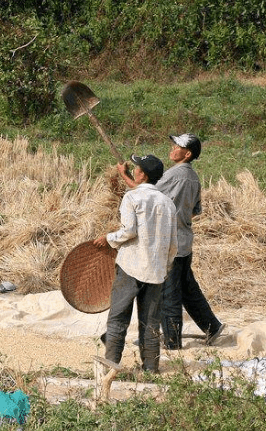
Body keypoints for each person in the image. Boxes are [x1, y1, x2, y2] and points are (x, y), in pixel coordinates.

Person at [94, 154, 177, 373]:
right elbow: (173, 244)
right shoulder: (168, 203)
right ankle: (151, 369)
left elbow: (130, 232)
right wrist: (165, 268)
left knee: (118, 318)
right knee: (151, 323)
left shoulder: (132, 198)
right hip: (156, 271)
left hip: (131, 266)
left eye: (138, 168)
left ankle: (110, 368)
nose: (136, 170)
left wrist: (109, 238)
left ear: (142, 174)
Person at [155, 133, 224, 349]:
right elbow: (195, 210)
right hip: (184, 240)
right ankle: (212, 326)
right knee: (186, 288)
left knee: (170, 293)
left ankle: (172, 340)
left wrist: (132, 182)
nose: (172, 148)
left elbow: (150, 197)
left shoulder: (175, 175)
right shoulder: (193, 177)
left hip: (170, 243)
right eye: (174, 144)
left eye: (177, 146)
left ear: (187, 154)